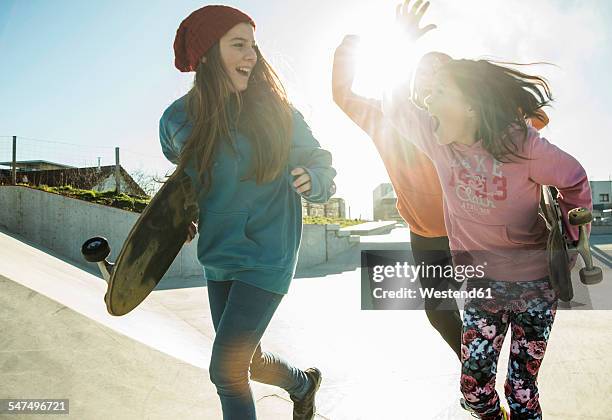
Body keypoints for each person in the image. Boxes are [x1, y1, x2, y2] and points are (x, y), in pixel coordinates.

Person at [380, 1, 592, 418]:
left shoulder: (521, 144)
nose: (427, 100)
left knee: (520, 389)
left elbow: (574, 179)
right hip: (482, 287)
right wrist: (400, 46)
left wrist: (570, 235)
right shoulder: (436, 138)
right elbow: (393, 104)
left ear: (471, 106)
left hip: (535, 287)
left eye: (438, 93)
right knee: (475, 391)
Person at [159, 5, 336, 420]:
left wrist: (314, 178)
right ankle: (302, 383)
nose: (251, 56)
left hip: (267, 254)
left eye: (253, 46)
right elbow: (185, 178)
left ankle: (301, 385)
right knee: (248, 361)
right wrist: (180, 215)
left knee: (226, 369)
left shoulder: (278, 115)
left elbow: (322, 162)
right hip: (218, 256)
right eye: (238, 45)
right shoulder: (176, 120)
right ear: (205, 54)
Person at [333, 41, 463, 359]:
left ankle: (485, 374)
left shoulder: (465, 120)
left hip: (468, 231)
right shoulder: (384, 115)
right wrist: (349, 50)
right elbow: (342, 94)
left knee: (480, 306)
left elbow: (521, 130)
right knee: (438, 311)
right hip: (425, 236)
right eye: (425, 72)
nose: (432, 79)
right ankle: (477, 375)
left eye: (441, 75)